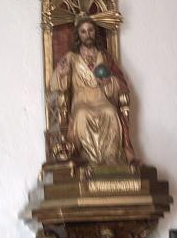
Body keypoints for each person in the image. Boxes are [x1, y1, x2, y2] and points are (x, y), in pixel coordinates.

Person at [49, 17, 136, 165]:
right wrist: (62, 74)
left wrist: (109, 82)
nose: (87, 34)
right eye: (83, 32)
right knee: (82, 115)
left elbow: (121, 82)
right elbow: (55, 84)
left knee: (110, 112)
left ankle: (111, 158)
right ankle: (88, 160)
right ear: (78, 35)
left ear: (95, 33)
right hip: (81, 100)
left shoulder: (105, 57)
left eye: (90, 30)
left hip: (101, 98)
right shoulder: (71, 57)